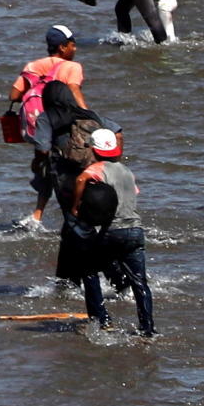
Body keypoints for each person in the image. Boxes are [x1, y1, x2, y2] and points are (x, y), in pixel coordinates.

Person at [62, 128, 154, 337]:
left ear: (94, 149)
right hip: (135, 230)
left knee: (88, 269)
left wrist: (76, 206)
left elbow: (79, 180)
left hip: (112, 231)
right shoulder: (127, 171)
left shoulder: (97, 168)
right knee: (140, 283)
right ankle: (148, 329)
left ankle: (101, 320)